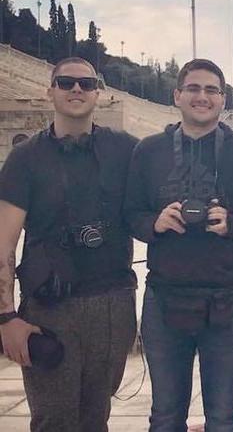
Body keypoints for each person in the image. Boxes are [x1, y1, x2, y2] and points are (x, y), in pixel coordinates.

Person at [124, 58, 233, 431]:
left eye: (211, 90)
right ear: (177, 95)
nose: (202, 96)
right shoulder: (149, 152)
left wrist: (232, 225)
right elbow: (129, 214)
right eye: (193, 88)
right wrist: (154, 222)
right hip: (165, 297)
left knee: (223, 414)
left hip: (230, 300)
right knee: (165, 413)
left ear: (223, 100)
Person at [0, 57, 138, 432]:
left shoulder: (126, 149)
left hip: (113, 305)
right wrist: (6, 318)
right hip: (50, 309)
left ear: (98, 92)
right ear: (50, 91)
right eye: (65, 82)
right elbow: (3, 244)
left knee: (96, 420)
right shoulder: (25, 158)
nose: (76, 89)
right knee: (54, 421)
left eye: (86, 83)